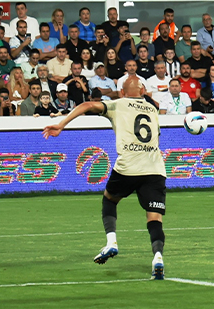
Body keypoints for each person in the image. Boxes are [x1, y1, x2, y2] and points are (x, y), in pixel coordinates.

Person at [43, 76, 167, 279]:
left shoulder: (117, 104)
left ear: (123, 92)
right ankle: (158, 257)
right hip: (154, 168)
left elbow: (86, 104)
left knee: (109, 199)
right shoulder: (152, 109)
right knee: (154, 217)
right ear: (143, 91)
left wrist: (62, 124)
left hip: (128, 166)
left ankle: (111, 242)